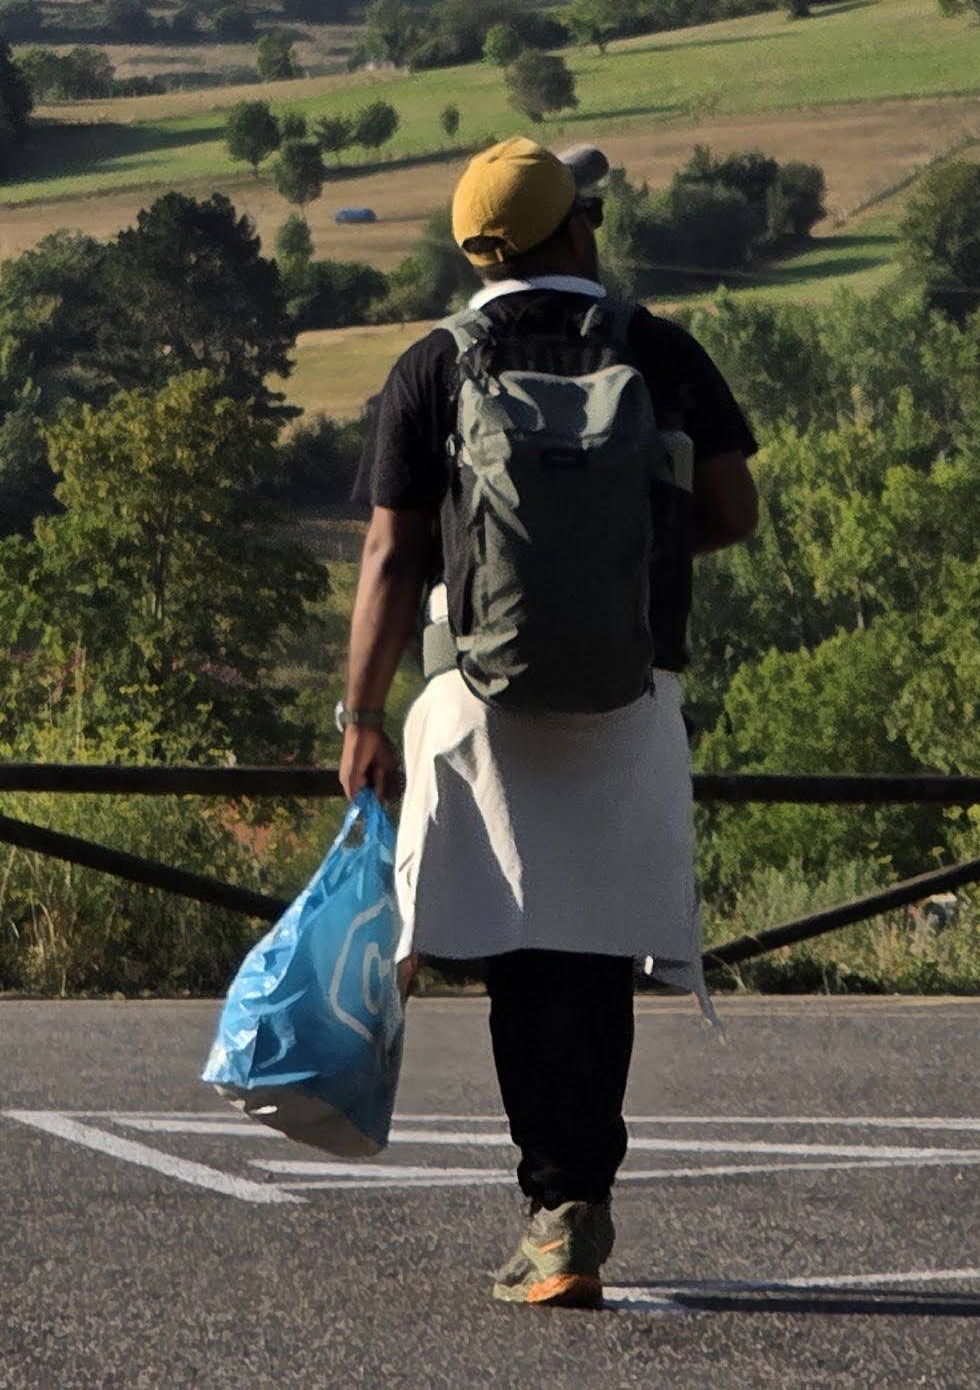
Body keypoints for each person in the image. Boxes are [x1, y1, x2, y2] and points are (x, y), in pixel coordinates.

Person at [342, 136, 759, 1310]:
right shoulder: (659, 350)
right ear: (575, 230)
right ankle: (581, 1195)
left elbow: (390, 552)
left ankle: (551, 1212)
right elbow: (735, 509)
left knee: (522, 961)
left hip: (479, 702)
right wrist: (631, 555)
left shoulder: (433, 365)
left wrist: (359, 711)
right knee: (593, 956)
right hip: (632, 700)